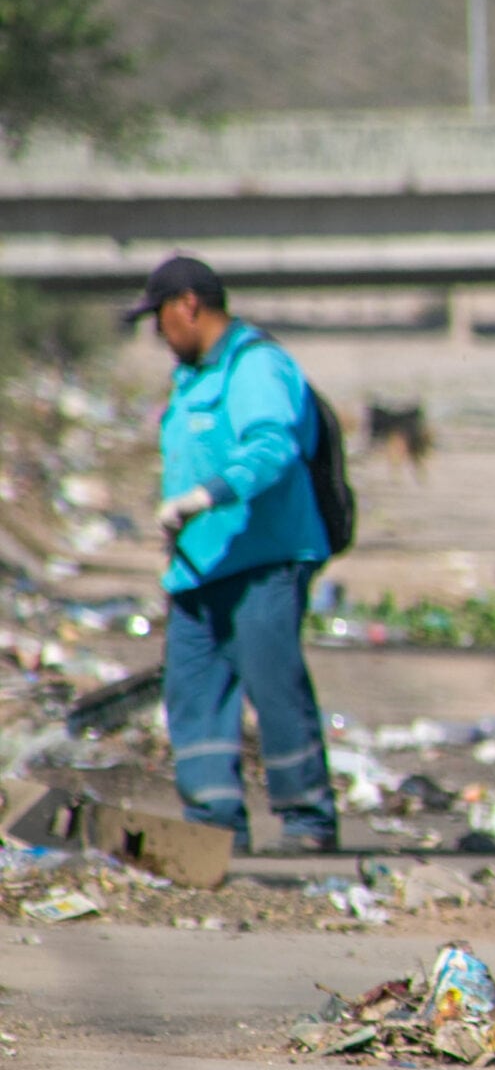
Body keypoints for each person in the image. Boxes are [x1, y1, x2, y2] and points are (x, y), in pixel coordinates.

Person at [131, 254, 340, 854]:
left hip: (264, 562)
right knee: (192, 693)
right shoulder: (193, 378)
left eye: (159, 318)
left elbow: (272, 449)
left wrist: (205, 497)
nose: (158, 335)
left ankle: (307, 820)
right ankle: (213, 824)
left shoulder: (257, 367)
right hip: (199, 569)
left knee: (274, 687)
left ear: (188, 305)